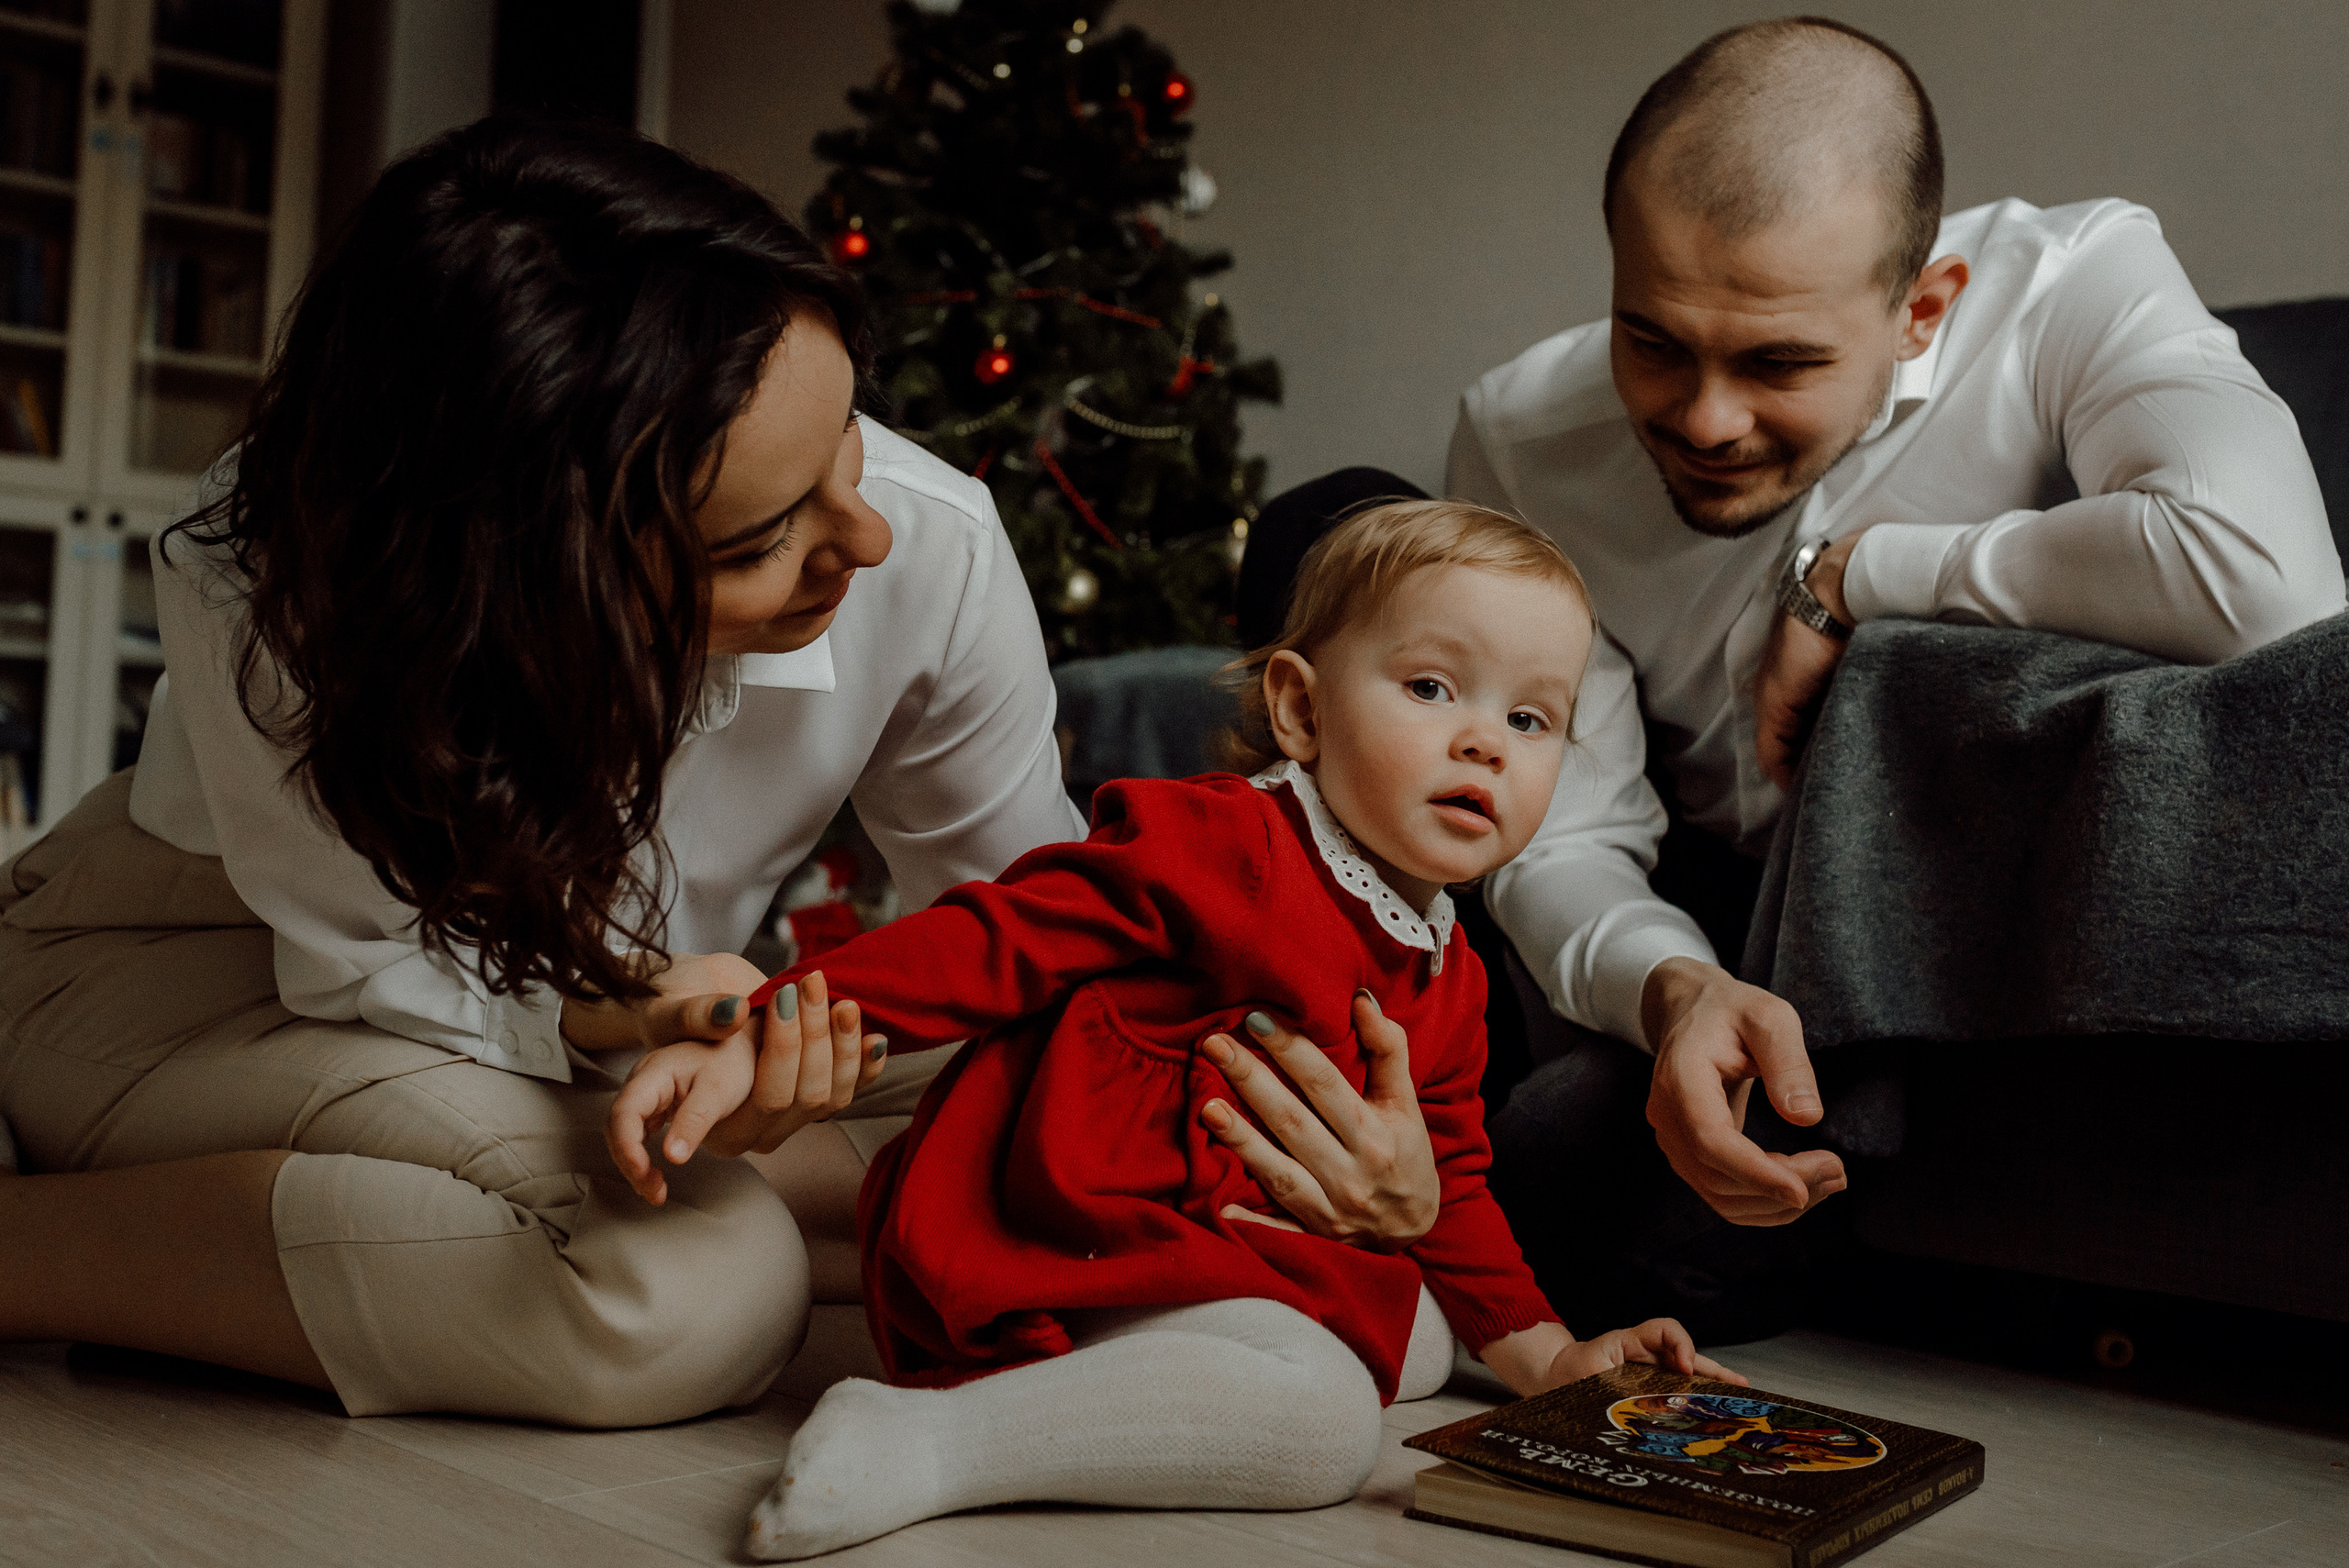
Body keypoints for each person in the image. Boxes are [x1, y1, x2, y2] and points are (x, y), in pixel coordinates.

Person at [0, 118, 1444, 1428]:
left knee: (1054, 1130)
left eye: (850, 446)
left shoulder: (929, 546)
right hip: (190, 970)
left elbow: (1046, 943)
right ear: (530, 575)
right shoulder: (287, 569)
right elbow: (376, 972)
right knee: (690, 1287)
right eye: (759, 541)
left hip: (585, 1018)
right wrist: (636, 1011)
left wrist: (1321, 1147)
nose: (863, 538)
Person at [1245, 17, 2343, 1339]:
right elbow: (1564, 823)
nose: (1706, 420)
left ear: (1923, 308)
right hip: (1682, 887)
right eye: (1652, 342)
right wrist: (1678, 989)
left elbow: (2268, 583)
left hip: (1950, 891)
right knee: (1331, 531)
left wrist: (1865, 573)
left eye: (1778, 363)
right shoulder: (1523, 433)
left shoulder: (2073, 279)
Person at [611, 500, 1746, 1561]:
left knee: (1429, 1342)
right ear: (1301, 707)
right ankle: (924, 1440)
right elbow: (994, 938)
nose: (1484, 742)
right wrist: (765, 1024)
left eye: (1530, 717)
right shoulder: (1229, 843)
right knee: (1324, 1421)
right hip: (1075, 1232)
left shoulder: (1445, 958)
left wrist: (1550, 1355)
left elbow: (1443, 1171)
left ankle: (1115, 1382)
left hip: (1215, 1236)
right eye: (1433, 687)